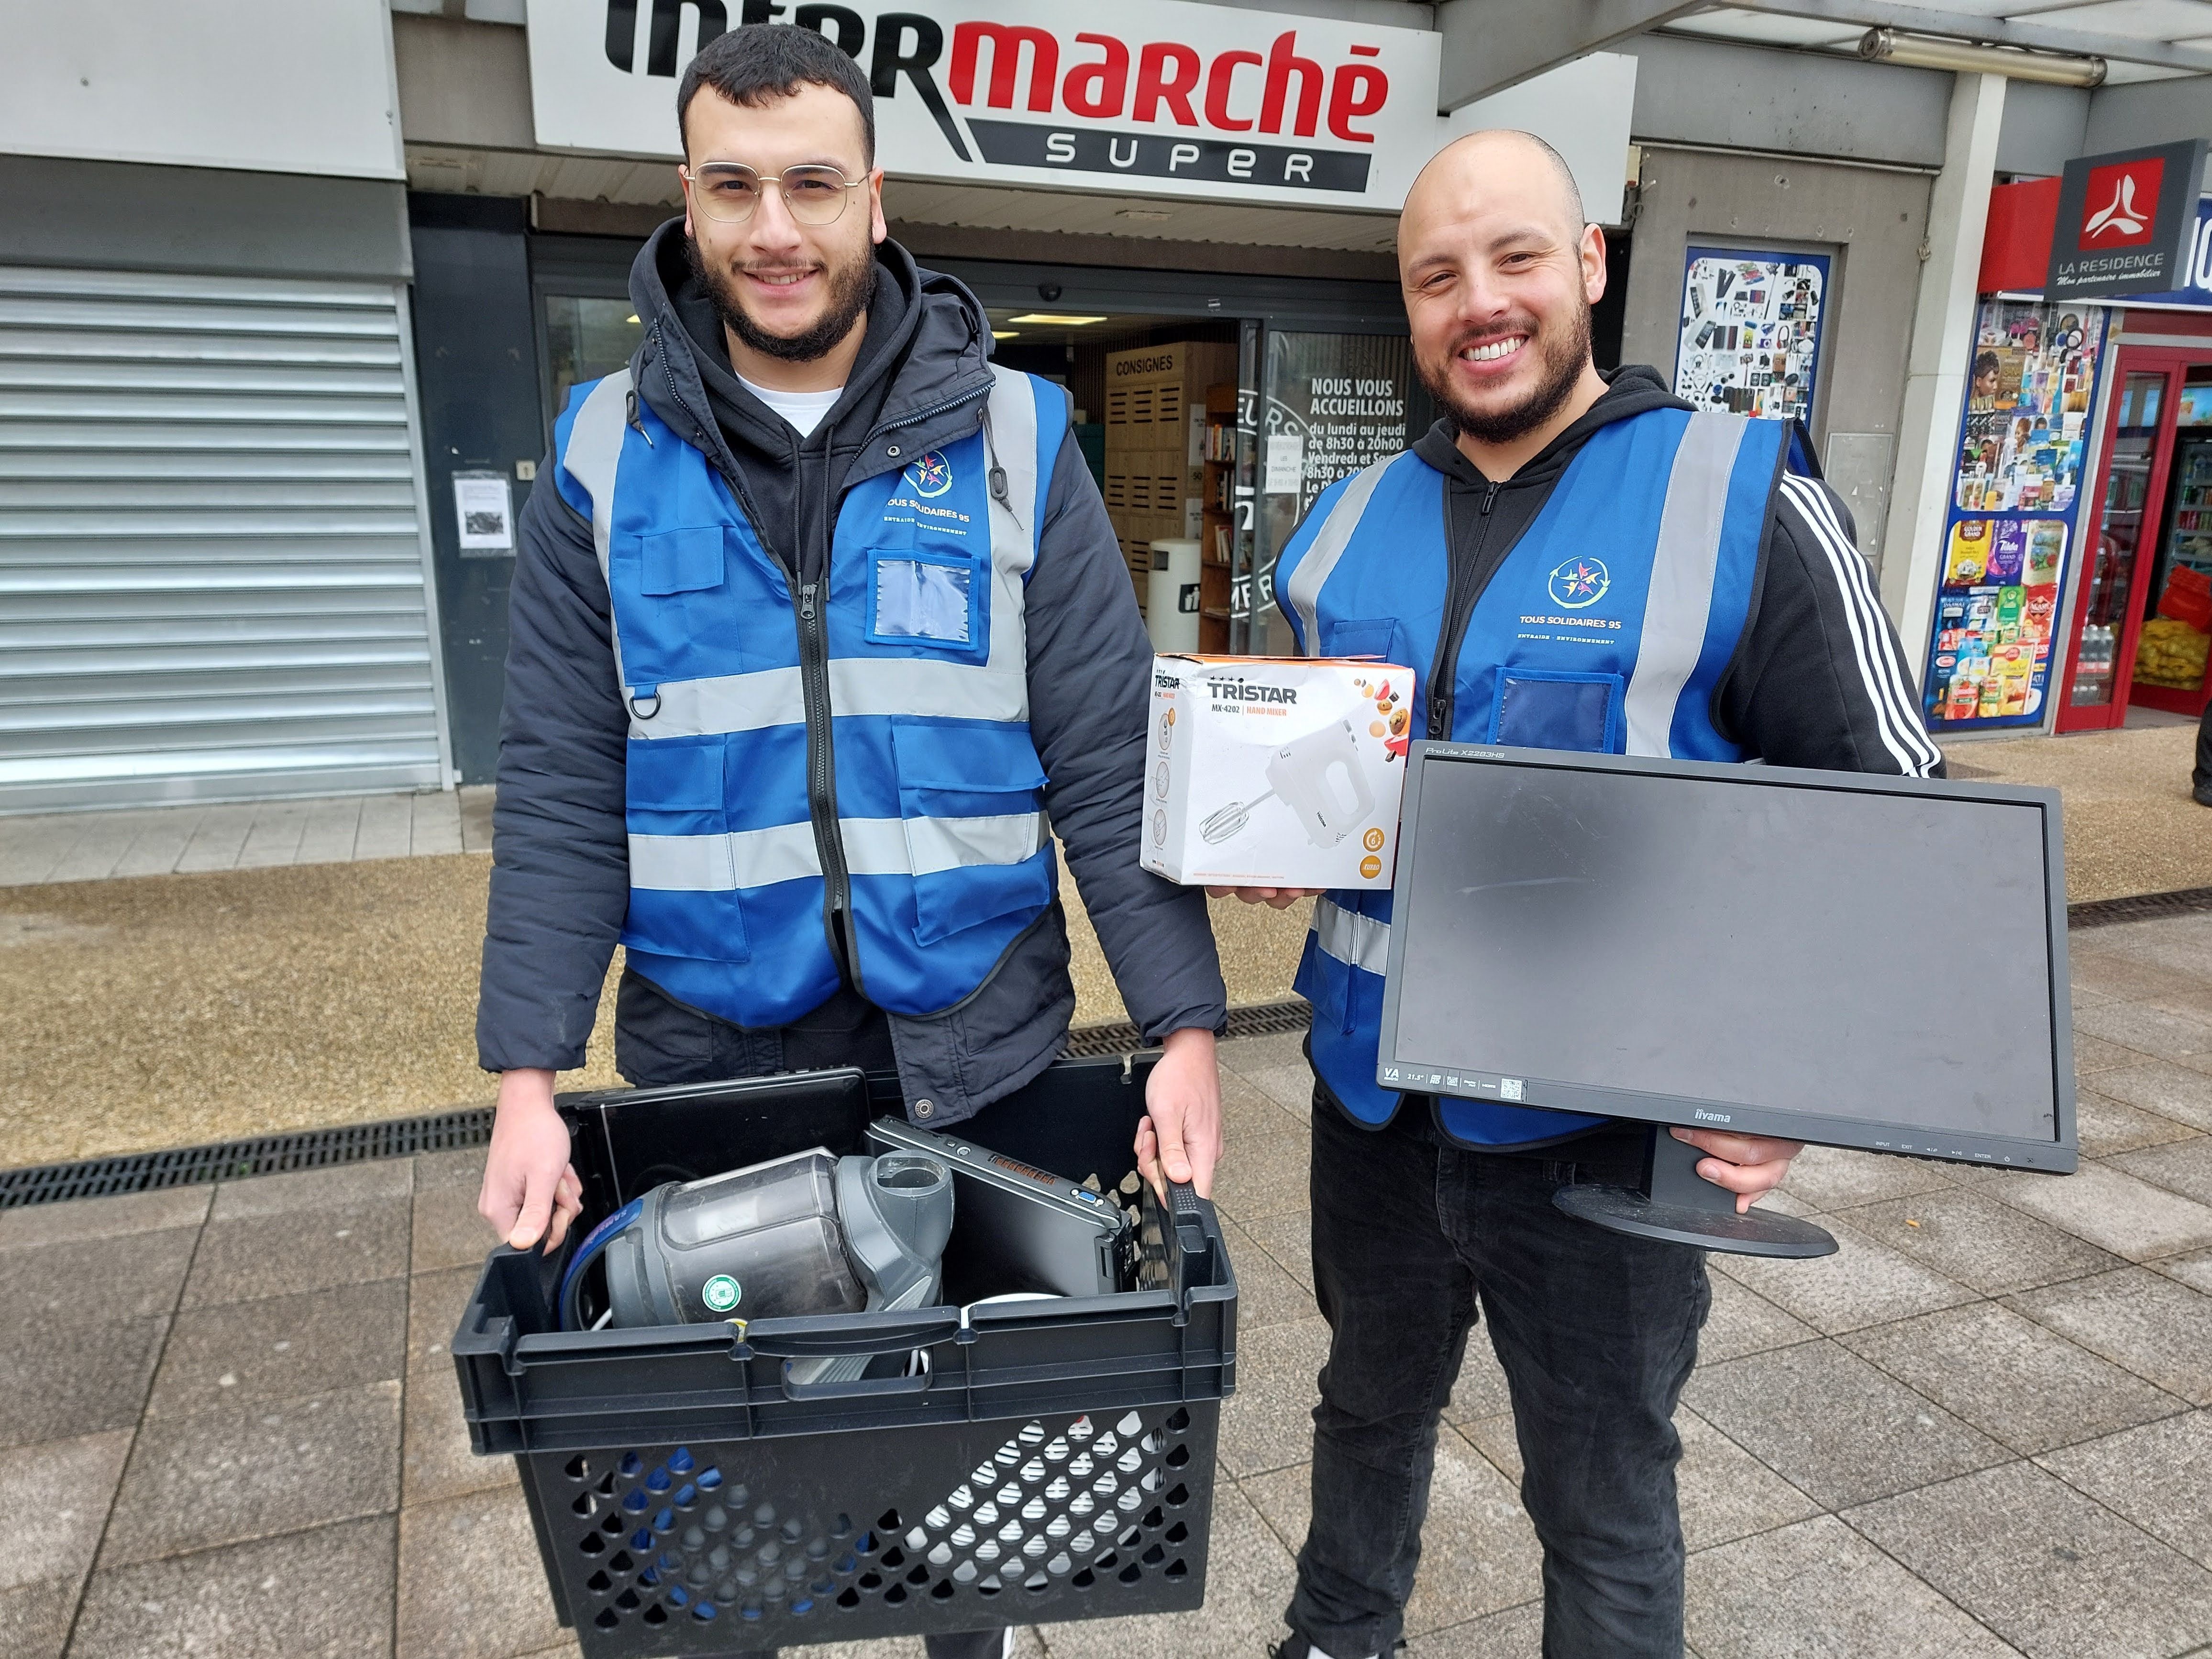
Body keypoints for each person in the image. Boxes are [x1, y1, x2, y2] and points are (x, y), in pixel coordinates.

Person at [471, 26, 1228, 1659]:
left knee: (978, 1474)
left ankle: (980, 1642)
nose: (774, 229)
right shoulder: (606, 456)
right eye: (733, 186)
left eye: (813, 184)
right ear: (686, 197)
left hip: (978, 1046)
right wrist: (527, 1078)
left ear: (875, 197)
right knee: (737, 1483)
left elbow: (1104, 755)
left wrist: (1184, 1026)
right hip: (715, 1057)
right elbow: (558, 776)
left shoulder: (1019, 438)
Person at [1229, 131, 1946, 1659]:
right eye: (1438, 275)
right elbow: (1318, 789)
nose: (1478, 303)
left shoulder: (1740, 495)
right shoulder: (1337, 529)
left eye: (1516, 257)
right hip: (1371, 1112)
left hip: (1604, 1140)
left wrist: (1793, 1071)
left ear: (1592, 264)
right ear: (1408, 304)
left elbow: (1896, 828)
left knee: (1605, 1492)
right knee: (1363, 1412)